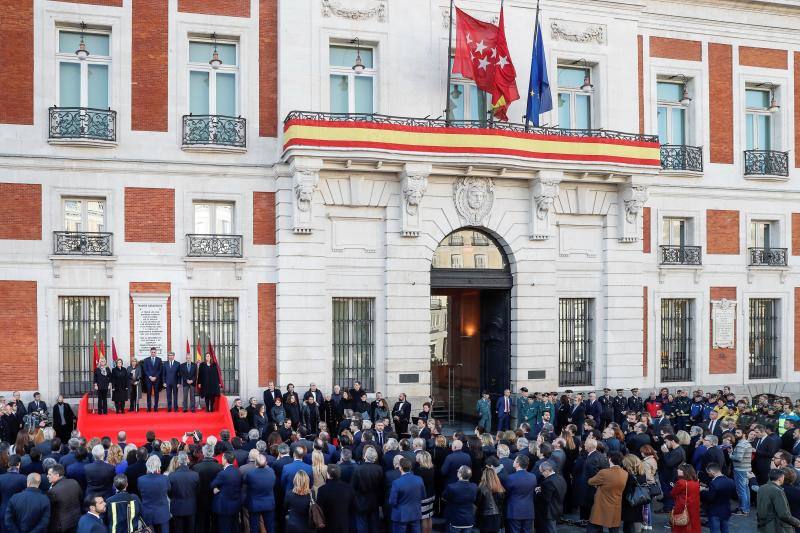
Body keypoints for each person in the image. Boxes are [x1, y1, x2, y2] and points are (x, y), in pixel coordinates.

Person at [586, 451, 627, 533]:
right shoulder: (625, 473)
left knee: (594, 526)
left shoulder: (604, 472)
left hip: (602, 504)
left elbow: (590, 481)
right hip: (616, 504)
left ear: (610, 459)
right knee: (614, 528)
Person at [389, 457, 425, 533]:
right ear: (410, 467)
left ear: (400, 468)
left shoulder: (396, 482)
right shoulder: (419, 479)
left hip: (401, 515)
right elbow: (423, 495)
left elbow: (392, 501)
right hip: (415, 513)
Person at [352, 446, 384, 533]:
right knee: (374, 524)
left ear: (365, 456)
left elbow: (353, 486)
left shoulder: (358, 469)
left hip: (361, 501)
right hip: (374, 500)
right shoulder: (379, 469)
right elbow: (381, 486)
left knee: (362, 524)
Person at [317, 464, 355, 533]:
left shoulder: (322, 489)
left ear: (328, 475)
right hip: (343, 523)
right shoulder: (348, 488)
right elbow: (353, 506)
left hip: (328, 524)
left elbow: (319, 508)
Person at [192, 444, 222, 533]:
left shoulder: (196, 467)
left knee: (202, 522)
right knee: (215, 521)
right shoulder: (219, 467)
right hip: (215, 497)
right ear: (212, 453)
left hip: (201, 499)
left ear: (204, 453)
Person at [243, 454, 276, 533]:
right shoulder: (271, 471)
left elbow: (245, 481)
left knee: (254, 528)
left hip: (254, 504)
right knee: (270, 527)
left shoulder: (250, 474)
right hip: (268, 503)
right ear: (265, 463)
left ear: (255, 463)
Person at [503, 455, 536, 533]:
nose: (513, 462)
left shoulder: (510, 478)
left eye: (514, 460)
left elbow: (506, 492)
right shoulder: (533, 477)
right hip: (529, 510)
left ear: (517, 464)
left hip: (514, 511)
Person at [211, 451, 242, 533]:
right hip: (236, 504)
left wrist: (217, 489)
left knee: (225, 528)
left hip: (225, 506)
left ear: (225, 460)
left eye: (223, 458)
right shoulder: (238, 471)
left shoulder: (223, 473)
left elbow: (212, 484)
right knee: (234, 526)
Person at [168, 452, 199, 533]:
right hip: (191, 506)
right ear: (187, 460)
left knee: (178, 529)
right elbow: (198, 491)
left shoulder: (172, 475)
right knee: (190, 529)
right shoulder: (195, 475)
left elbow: (169, 492)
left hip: (177, 507)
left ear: (178, 461)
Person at [46, 464, 82, 533]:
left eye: (50, 474)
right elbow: (80, 498)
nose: (47, 476)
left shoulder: (52, 491)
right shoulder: (74, 482)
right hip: (76, 520)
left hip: (62, 525)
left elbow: (49, 509)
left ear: (57, 475)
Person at [138, 456, 170, 533]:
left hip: (148, 513)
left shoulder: (141, 479)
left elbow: (140, 492)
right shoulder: (165, 479)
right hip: (162, 513)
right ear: (159, 466)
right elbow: (169, 490)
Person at [700, 463, 735, 533]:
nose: (708, 475)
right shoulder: (730, 481)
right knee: (725, 530)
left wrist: (702, 491)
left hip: (714, 512)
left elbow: (710, 497)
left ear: (712, 472)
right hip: (726, 510)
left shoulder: (714, 483)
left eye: (708, 473)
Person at [442, 465, 478, 532]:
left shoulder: (451, 487)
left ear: (460, 474)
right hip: (469, 520)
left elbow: (444, 498)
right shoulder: (474, 487)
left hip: (456, 519)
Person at [535, 461, 565, 533]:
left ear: (547, 471)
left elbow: (546, 498)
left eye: (542, 472)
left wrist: (538, 492)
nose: (541, 474)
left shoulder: (547, 482)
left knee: (550, 529)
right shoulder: (560, 478)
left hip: (549, 511)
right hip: (558, 506)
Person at [670, 463, 701, 533]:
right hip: (694, 506)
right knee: (693, 524)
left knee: (681, 526)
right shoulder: (696, 482)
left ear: (684, 471)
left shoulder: (681, 483)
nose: (677, 470)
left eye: (679, 469)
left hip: (682, 506)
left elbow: (673, 493)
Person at [142, 347, 163, 412]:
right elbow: (145, 370)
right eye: (152, 352)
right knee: (149, 393)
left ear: (156, 352)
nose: (153, 353)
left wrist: (155, 377)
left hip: (156, 379)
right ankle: (149, 408)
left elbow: (160, 370)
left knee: (156, 393)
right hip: (149, 379)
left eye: (154, 352)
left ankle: (156, 407)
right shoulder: (146, 360)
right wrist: (150, 377)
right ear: (150, 352)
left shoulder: (159, 360)